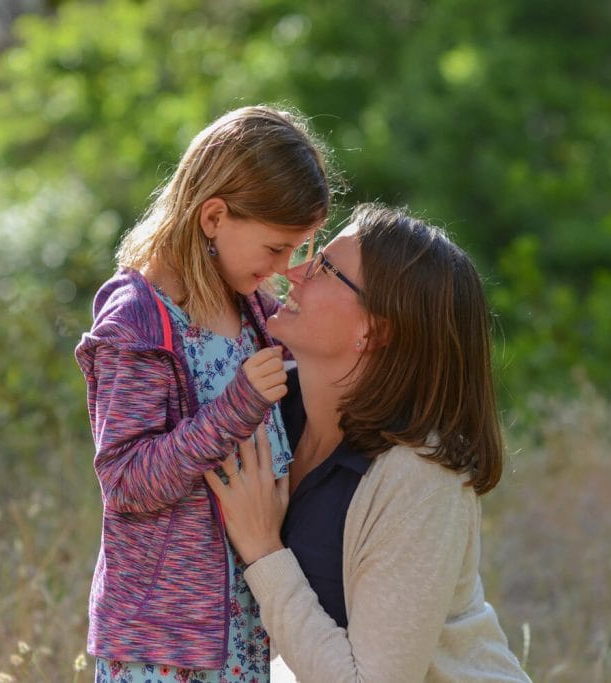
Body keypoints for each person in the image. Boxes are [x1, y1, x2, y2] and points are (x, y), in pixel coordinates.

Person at [206, 203, 532, 682]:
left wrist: (264, 551)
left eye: (324, 269)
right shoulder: (264, 406)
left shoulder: (420, 478)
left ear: (373, 330)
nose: (291, 273)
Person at [74, 105, 333, 682]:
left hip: (244, 632)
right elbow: (127, 482)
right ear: (214, 216)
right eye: (275, 249)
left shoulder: (253, 311)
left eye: (297, 250)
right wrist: (236, 408)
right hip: (166, 647)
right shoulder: (138, 322)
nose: (283, 268)